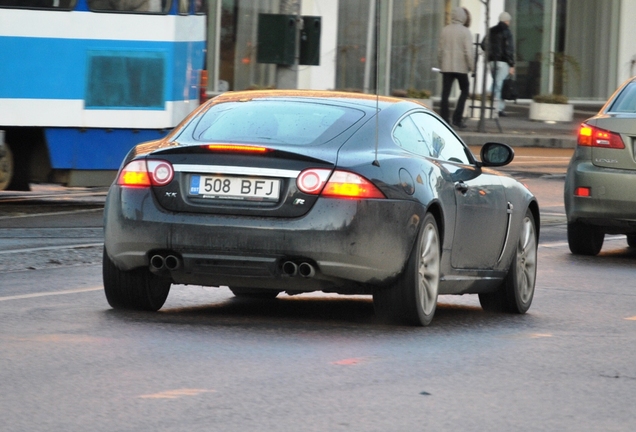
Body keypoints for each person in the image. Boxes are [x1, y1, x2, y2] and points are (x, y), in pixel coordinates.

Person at [437, 7, 474, 129]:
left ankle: (444, 119)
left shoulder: (445, 30)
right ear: (463, 17)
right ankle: (457, 119)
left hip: (446, 67)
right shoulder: (465, 31)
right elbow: (468, 52)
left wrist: (441, 64)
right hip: (461, 67)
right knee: (465, 90)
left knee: (445, 94)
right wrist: (472, 67)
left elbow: (440, 50)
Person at [482, 11, 515, 117]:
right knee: (499, 84)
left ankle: (486, 101)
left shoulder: (491, 30)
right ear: (506, 20)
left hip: (492, 62)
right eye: (509, 21)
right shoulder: (507, 32)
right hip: (503, 62)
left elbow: (483, 44)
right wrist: (511, 64)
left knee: (495, 83)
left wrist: (490, 53)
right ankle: (498, 109)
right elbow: (509, 49)